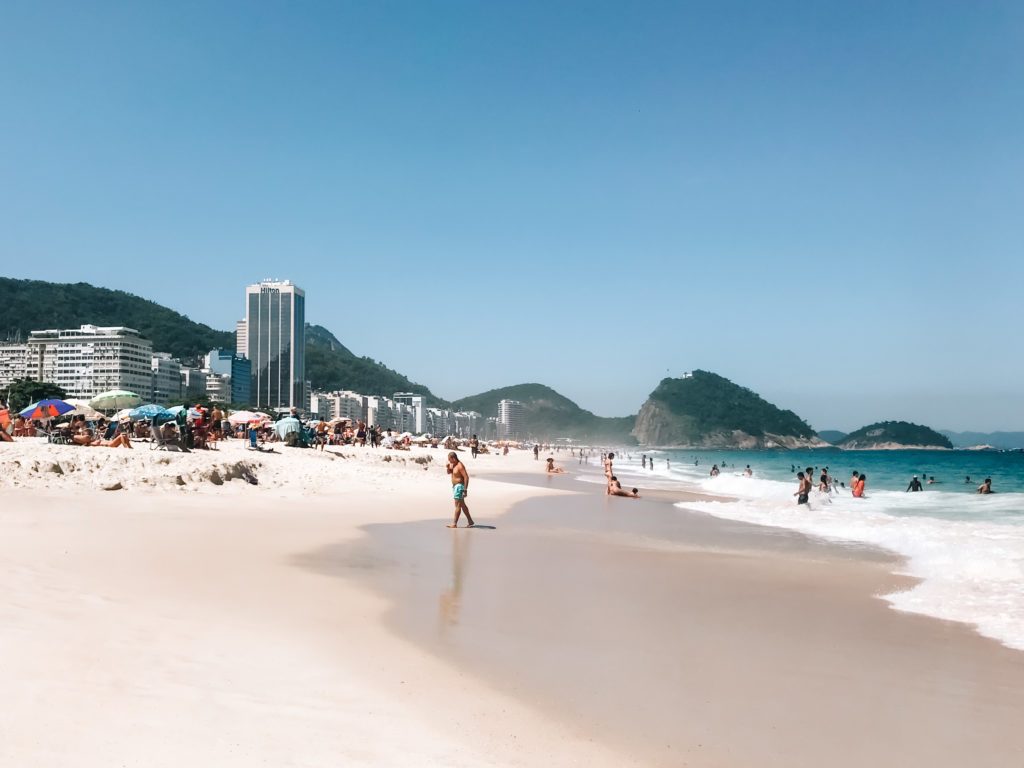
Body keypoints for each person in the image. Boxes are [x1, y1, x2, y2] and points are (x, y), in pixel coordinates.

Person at [445, 452, 475, 527]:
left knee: (458, 505)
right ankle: (470, 521)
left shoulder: (460, 465)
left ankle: (454, 524)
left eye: (450, 459)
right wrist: (448, 467)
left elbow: (466, 477)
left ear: (453, 458)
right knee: (462, 505)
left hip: (459, 487)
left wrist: (465, 490)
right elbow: (449, 473)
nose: (449, 461)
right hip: (455, 486)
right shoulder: (453, 465)